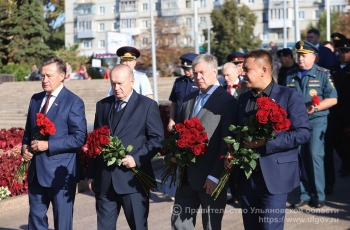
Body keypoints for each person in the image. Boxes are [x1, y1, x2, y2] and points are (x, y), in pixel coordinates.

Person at [225, 49, 310, 230]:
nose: (242, 73)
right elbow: (235, 133)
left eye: (246, 69)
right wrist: (231, 153)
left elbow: (303, 133)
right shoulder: (242, 99)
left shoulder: (288, 96)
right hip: (247, 178)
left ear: (263, 70)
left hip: (275, 178)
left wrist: (267, 142)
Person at [88, 64, 164, 230]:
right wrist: (92, 175)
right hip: (105, 181)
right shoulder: (103, 105)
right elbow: (95, 142)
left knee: (138, 226)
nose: (116, 88)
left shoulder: (147, 105)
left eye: (120, 83)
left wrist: (136, 158)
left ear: (132, 81)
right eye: (113, 83)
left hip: (133, 181)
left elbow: (157, 139)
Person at [171, 54, 237, 229]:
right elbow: (178, 132)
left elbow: (227, 142)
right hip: (186, 176)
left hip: (210, 177)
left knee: (211, 225)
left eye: (202, 73)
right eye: (195, 73)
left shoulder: (227, 101)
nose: (198, 77)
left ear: (215, 72)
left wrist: (215, 175)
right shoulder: (188, 99)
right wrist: (174, 154)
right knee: (179, 224)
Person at [21, 56, 87, 229]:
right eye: (42, 76)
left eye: (49, 76)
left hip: (60, 173)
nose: (44, 80)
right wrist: (25, 147)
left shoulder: (74, 102)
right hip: (36, 172)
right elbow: (28, 130)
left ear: (62, 76)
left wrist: (49, 145)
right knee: (35, 221)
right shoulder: (36, 99)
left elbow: (79, 137)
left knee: (62, 223)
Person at [284, 41, 337, 209]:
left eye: (304, 55)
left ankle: (319, 195)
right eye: (299, 55)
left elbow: (333, 98)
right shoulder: (290, 75)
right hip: (297, 123)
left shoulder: (323, 74)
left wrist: (315, 107)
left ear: (314, 57)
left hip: (317, 121)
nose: (300, 58)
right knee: (300, 157)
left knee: (315, 155)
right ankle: (304, 194)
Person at [158, 53, 198, 201]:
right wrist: (171, 120)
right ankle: (174, 188)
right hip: (179, 127)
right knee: (176, 157)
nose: (186, 71)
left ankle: (192, 188)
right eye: (184, 69)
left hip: (194, 128)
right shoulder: (179, 82)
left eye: (188, 69)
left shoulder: (201, 82)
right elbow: (174, 103)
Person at [221, 61, 248, 205]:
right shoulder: (221, 88)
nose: (226, 78)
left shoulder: (245, 88)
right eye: (223, 75)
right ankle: (235, 194)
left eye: (228, 75)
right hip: (226, 131)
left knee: (240, 165)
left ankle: (242, 194)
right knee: (228, 163)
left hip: (240, 131)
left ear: (237, 73)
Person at [328, 38, 350, 180]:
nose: (344, 54)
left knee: (347, 141)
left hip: (348, 110)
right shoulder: (333, 69)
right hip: (335, 111)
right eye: (341, 51)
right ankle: (345, 162)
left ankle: (346, 166)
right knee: (336, 140)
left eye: (347, 51)